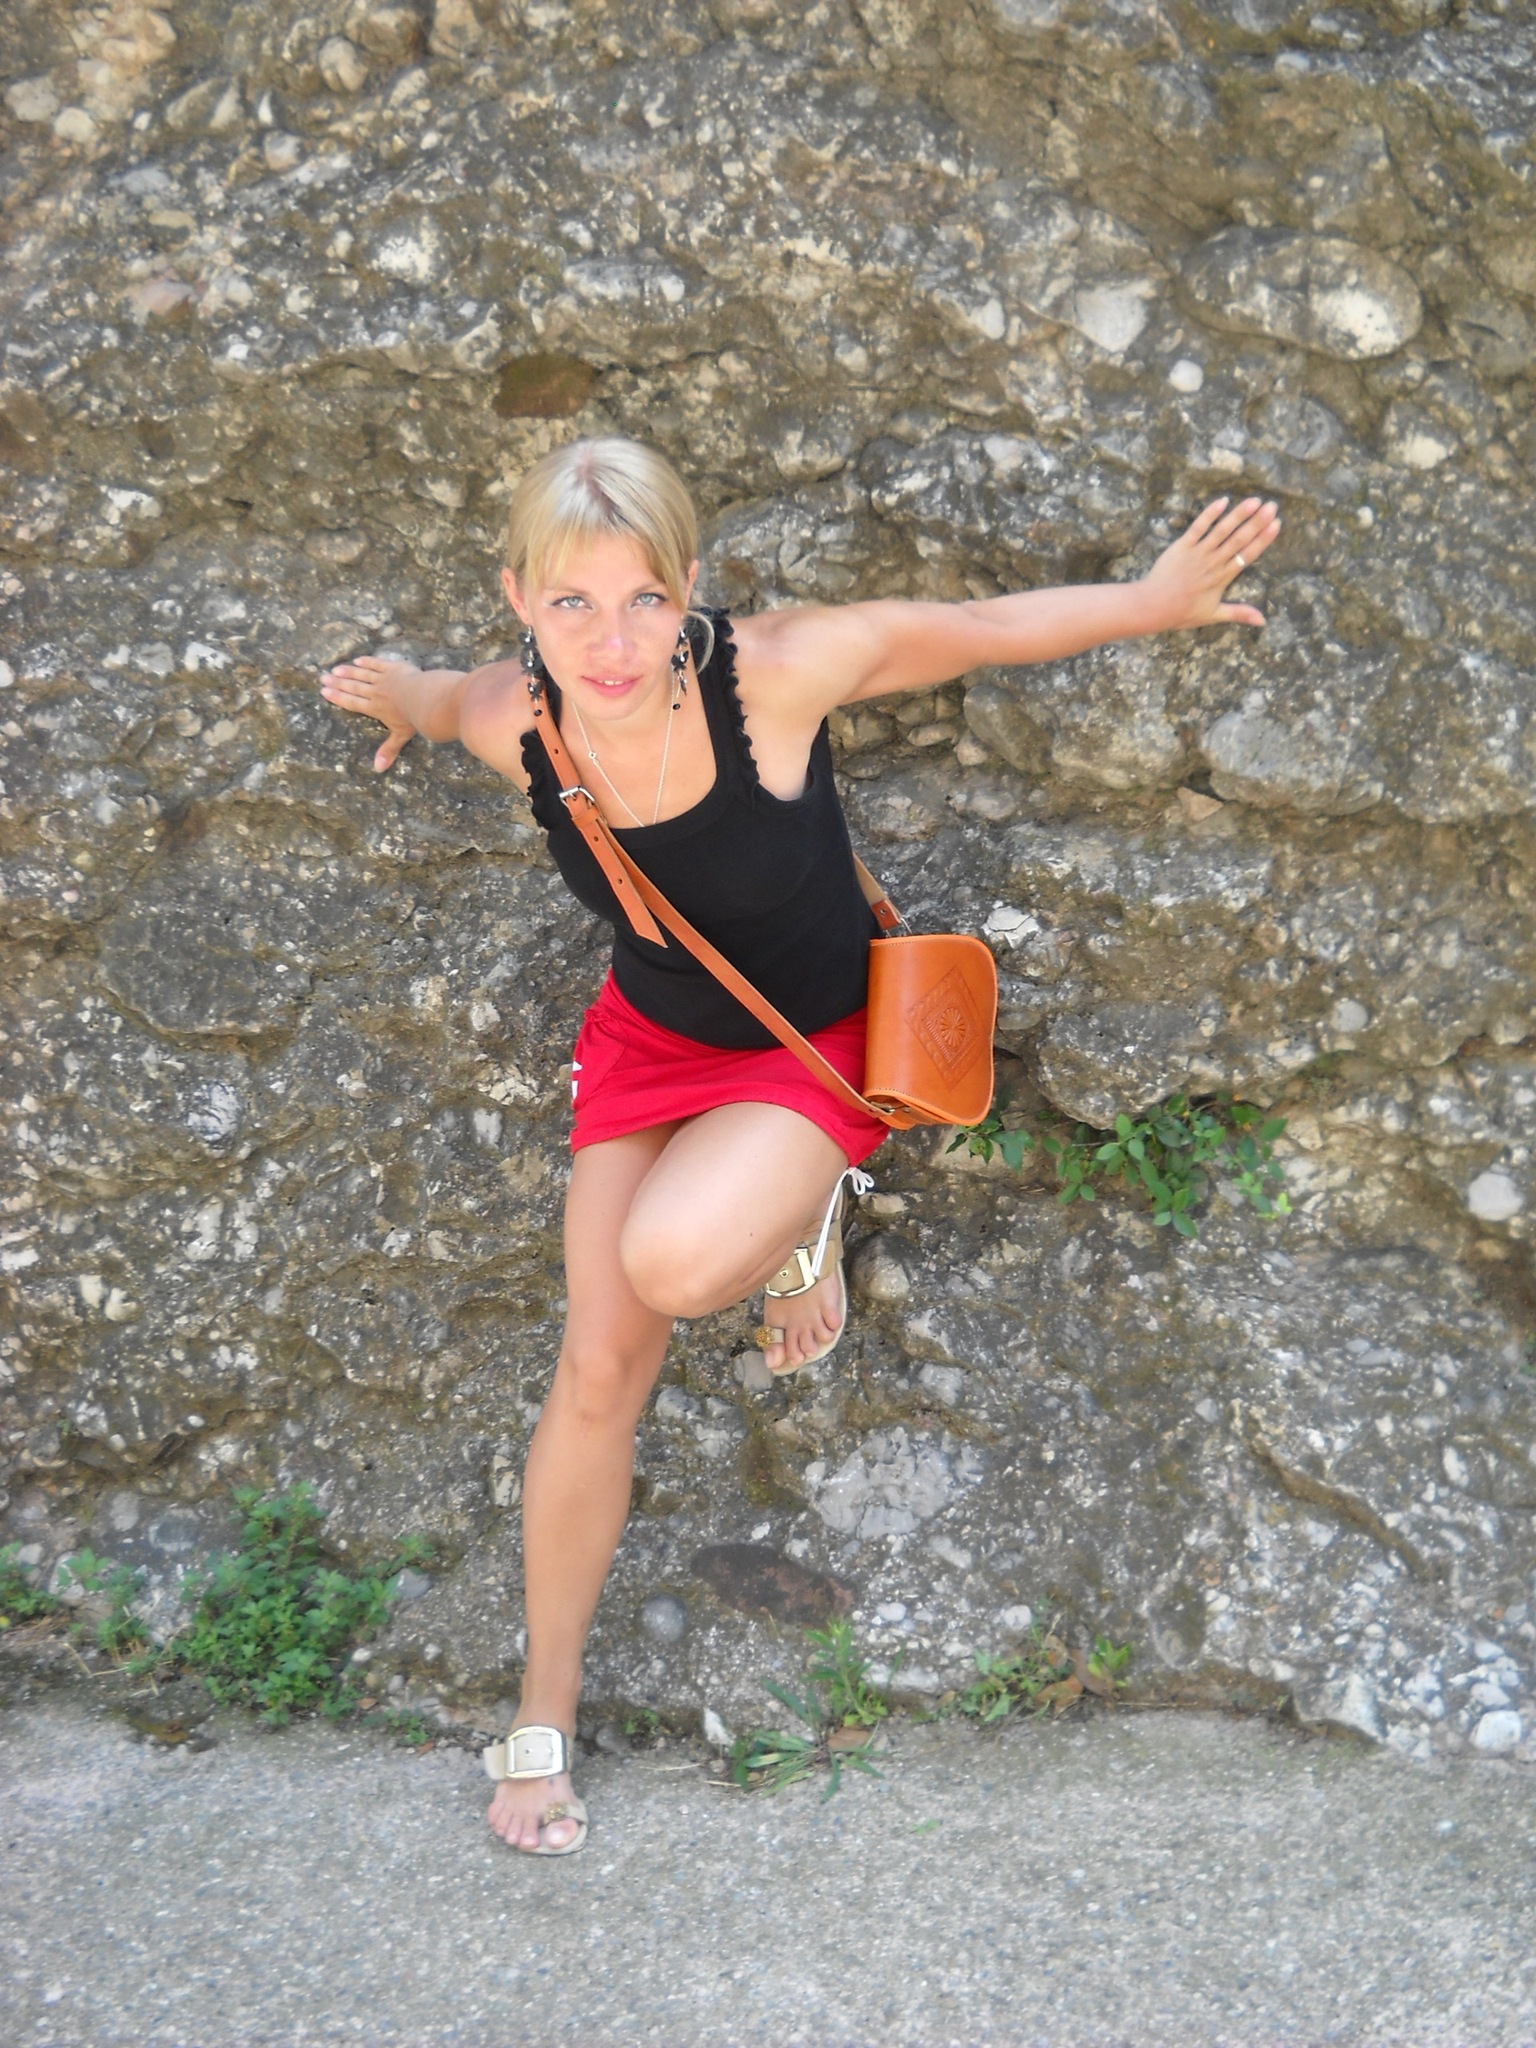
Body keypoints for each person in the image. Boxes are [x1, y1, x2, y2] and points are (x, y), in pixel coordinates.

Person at [319, 437, 1280, 1854]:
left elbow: (974, 631)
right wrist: (395, 695)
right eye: (572, 604)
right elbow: (438, 693)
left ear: (689, 586)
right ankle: (542, 1713)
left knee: (669, 1263)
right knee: (596, 1367)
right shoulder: (514, 713)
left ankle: (803, 1202)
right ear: (519, 598)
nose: (610, 642)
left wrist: (1151, 600)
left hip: (812, 1043)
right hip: (650, 1046)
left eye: (644, 600)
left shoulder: (773, 675)